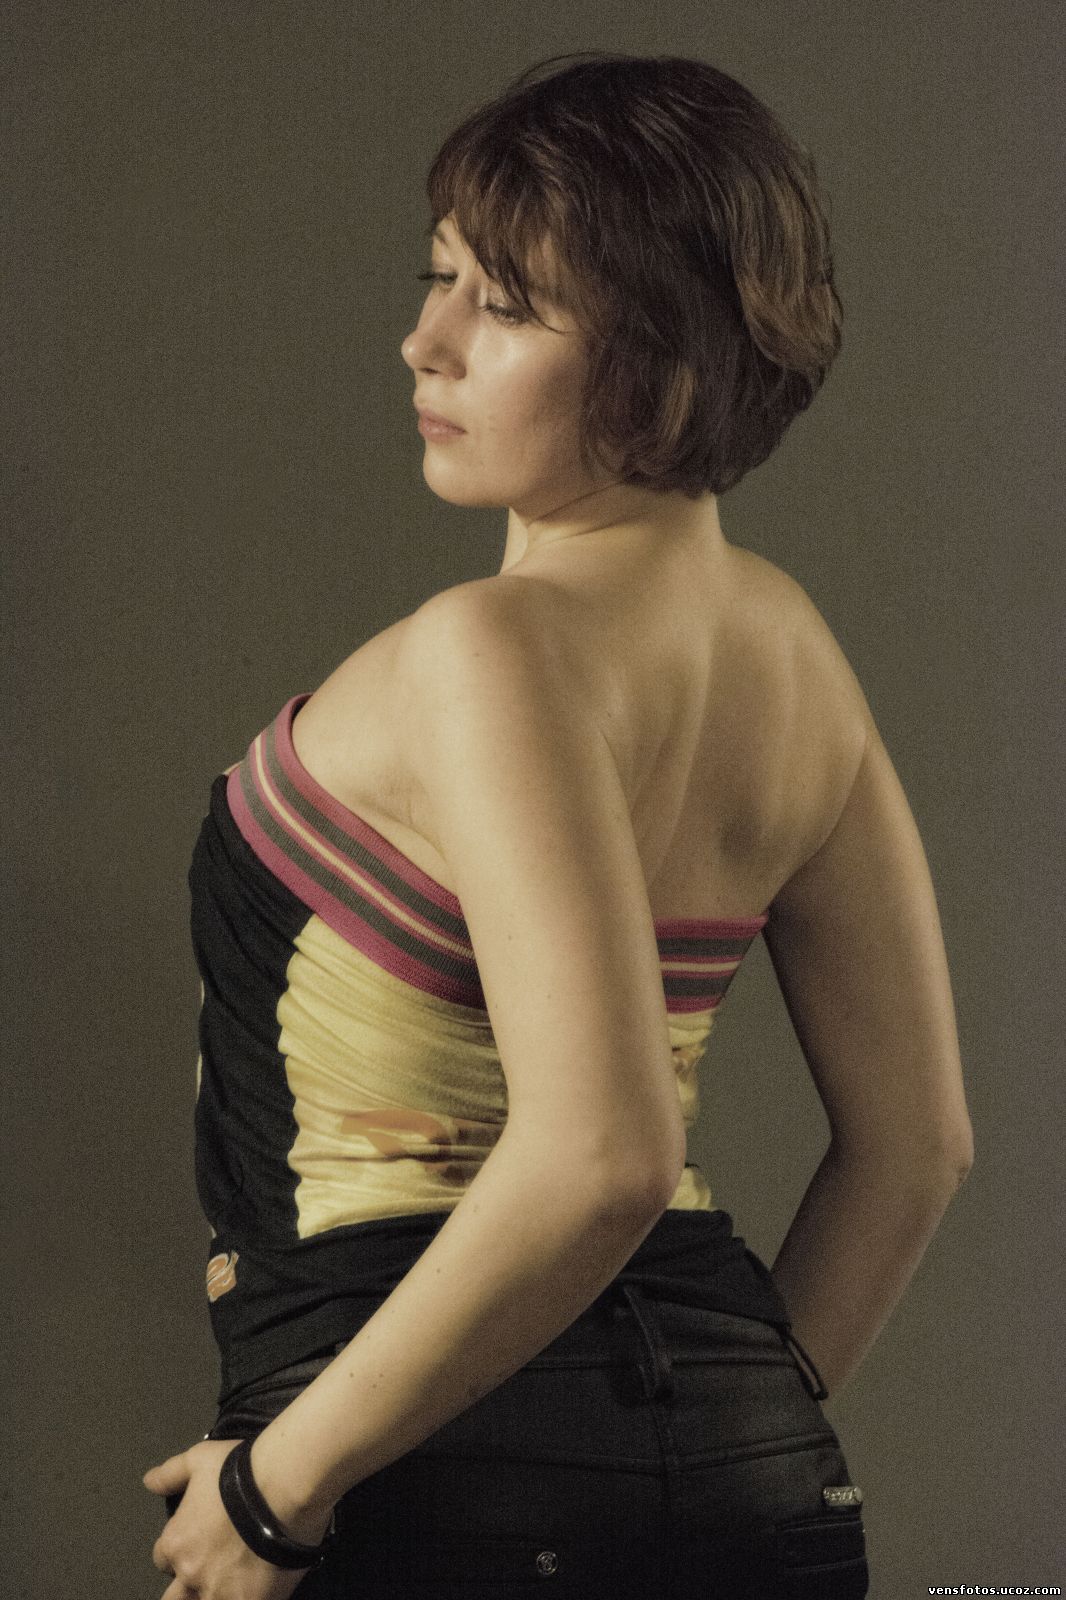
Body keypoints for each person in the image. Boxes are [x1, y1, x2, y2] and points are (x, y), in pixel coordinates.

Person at [143, 50, 972, 1599]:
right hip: (758, 1466)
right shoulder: (792, 649)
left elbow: (604, 1150)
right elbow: (916, 1147)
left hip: (408, 1460)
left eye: (508, 307)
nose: (426, 341)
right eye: (439, 276)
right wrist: (717, 1437)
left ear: (664, 360)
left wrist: (276, 1488)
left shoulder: (490, 647)